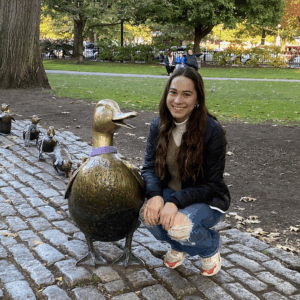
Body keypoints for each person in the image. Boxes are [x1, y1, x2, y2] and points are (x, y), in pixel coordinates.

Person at [140, 67, 230, 276]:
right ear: (166, 95)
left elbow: (212, 185)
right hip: (171, 194)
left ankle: (210, 246)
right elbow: (148, 168)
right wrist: (154, 196)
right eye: (173, 92)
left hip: (208, 200)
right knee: (148, 215)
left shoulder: (212, 131)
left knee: (179, 228)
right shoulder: (159, 125)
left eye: (186, 94)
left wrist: (174, 203)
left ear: (197, 99)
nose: (178, 100)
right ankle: (179, 247)